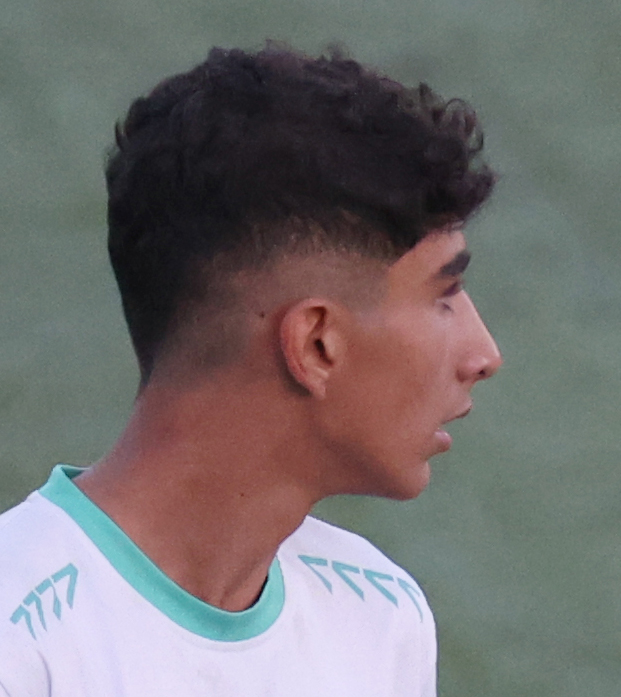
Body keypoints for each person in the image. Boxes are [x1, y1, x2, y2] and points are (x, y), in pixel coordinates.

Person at [0, 44, 502, 696]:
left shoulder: (381, 618)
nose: (483, 354)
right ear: (316, 344)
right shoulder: (19, 641)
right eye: (444, 296)